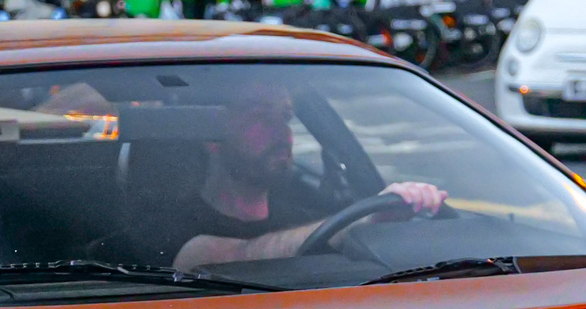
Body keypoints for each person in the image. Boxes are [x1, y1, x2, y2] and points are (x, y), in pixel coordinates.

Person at [167, 82, 446, 270]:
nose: (282, 132)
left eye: (286, 117)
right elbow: (236, 256)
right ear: (212, 138)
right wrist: (361, 222)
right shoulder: (175, 226)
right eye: (260, 117)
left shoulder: (308, 212)